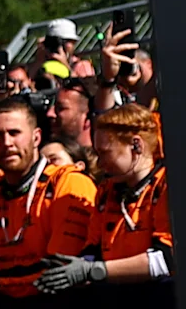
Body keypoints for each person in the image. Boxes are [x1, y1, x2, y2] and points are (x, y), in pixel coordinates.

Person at [0, 92, 97, 309]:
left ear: (36, 137)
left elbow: (57, 272)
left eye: (14, 133)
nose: (6, 143)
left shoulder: (68, 182)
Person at [43, 107, 173, 288]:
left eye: (104, 152)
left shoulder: (166, 185)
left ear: (136, 145)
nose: (99, 163)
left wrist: (96, 270)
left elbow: (166, 259)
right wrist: (72, 267)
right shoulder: (107, 191)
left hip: (160, 297)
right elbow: (93, 247)